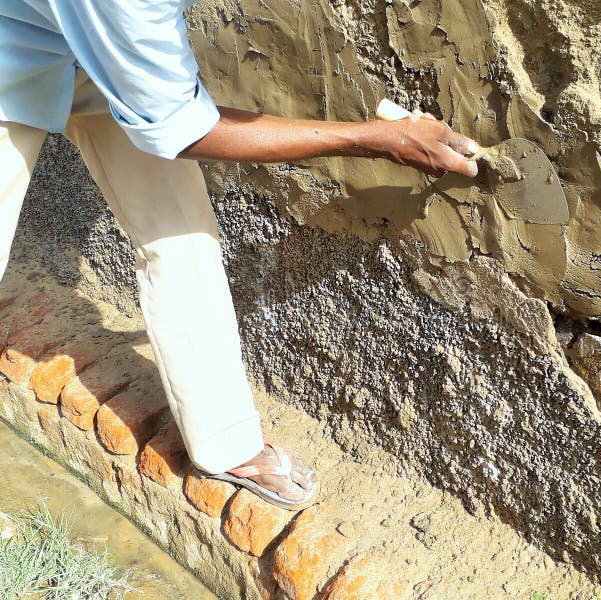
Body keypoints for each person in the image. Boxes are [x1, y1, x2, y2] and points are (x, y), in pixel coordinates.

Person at [0, 1, 479, 509]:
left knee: (182, 234)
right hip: (12, 46)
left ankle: (224, 440)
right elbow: (187, 130)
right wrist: (375, 139)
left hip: (100, 52)